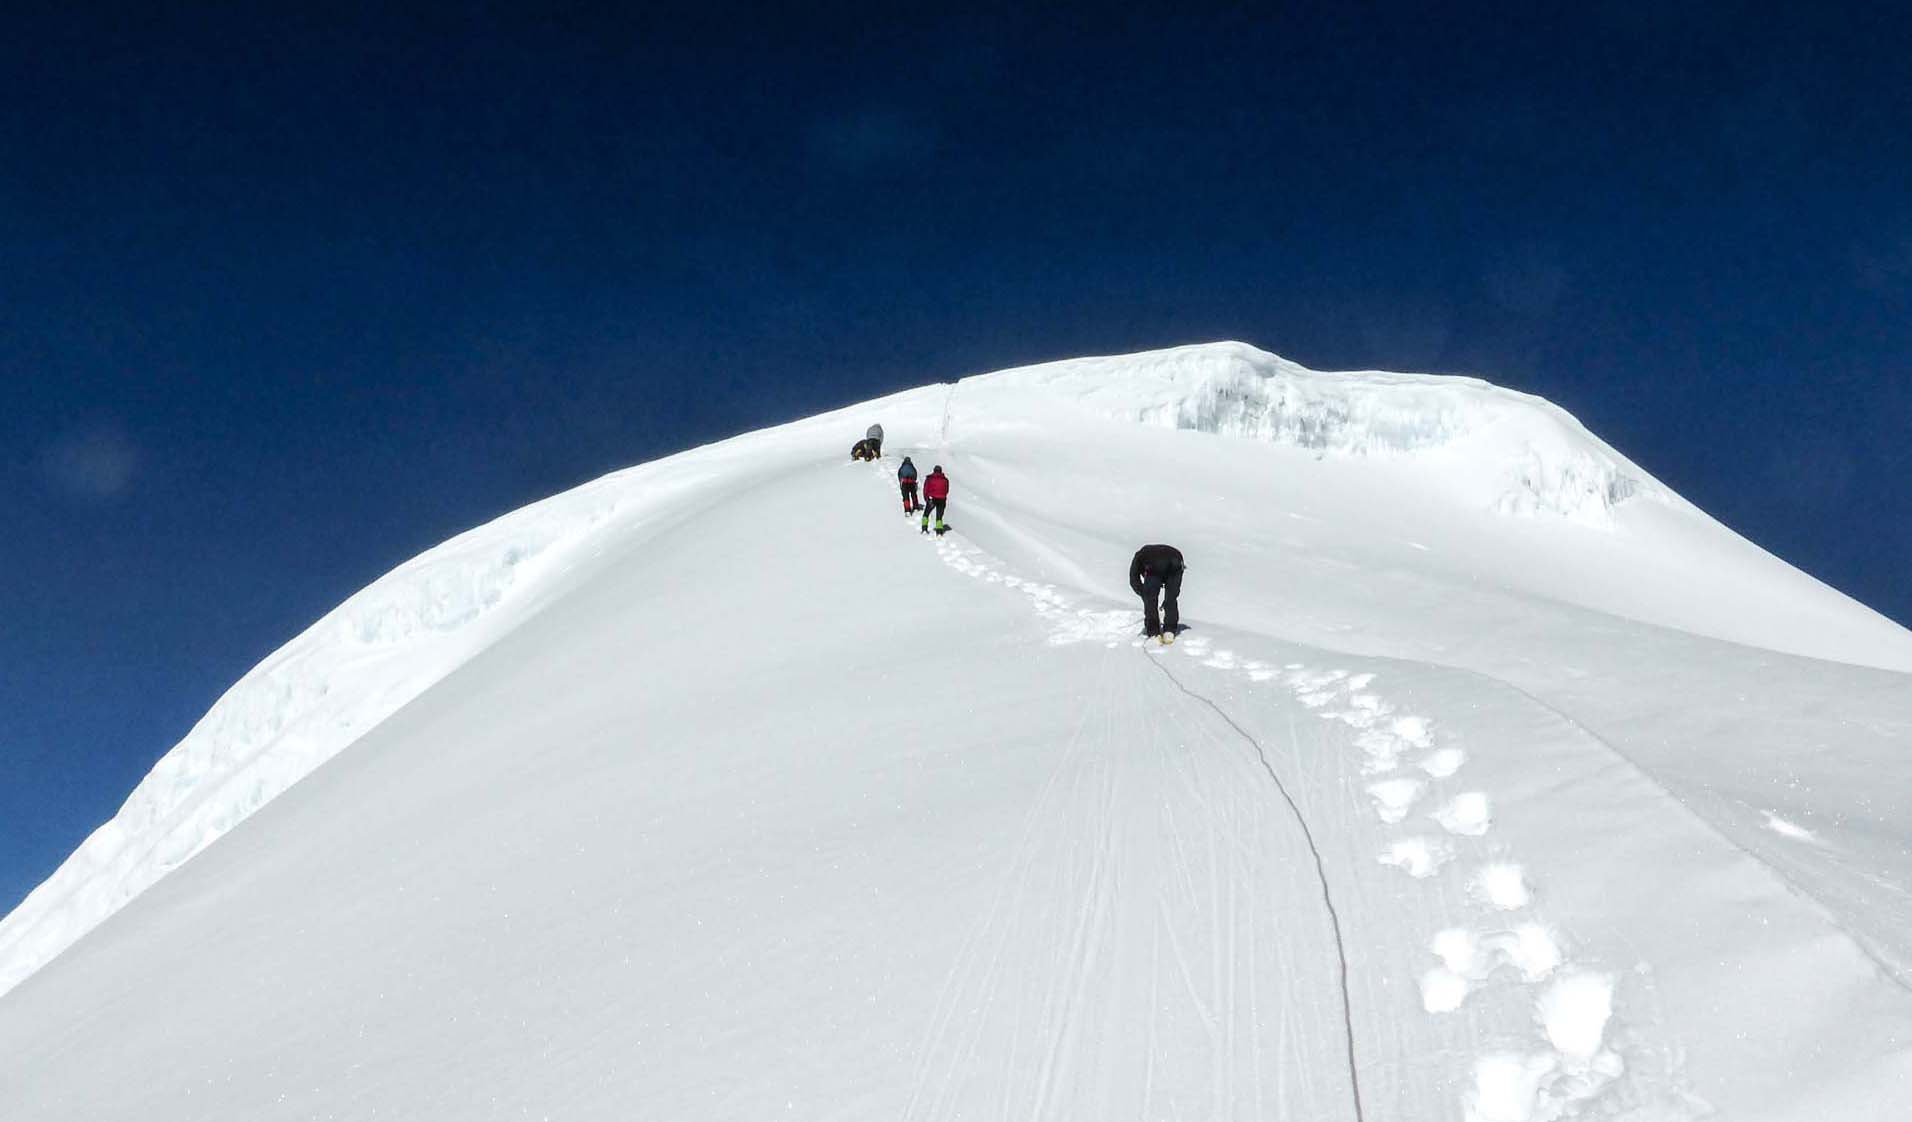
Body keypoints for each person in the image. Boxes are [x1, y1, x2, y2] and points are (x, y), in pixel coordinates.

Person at [1129, 544, 1185, 641]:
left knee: (1151, 599)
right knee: (1171, 598)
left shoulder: (1139, 558)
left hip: (1156, 564)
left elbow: (1134, 580)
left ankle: (1154, 632)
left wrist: (1144, 594)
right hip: (1176, 560)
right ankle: (1170, 630)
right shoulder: (1143, 555)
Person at [920, 464, 950, 535]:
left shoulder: (930, 478)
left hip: (932, 499)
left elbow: (925, 489)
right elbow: (946, 490)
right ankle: (939, 531)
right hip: (942, 499)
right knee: (939, 516)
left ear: (934, 471)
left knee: (926, 514)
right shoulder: (945, 479)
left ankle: (924, 528)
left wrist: (926, 499)